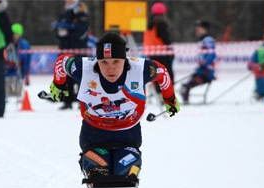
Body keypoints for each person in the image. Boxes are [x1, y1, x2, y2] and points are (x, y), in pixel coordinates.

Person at [49, 32, 180, 178]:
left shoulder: (140, 69)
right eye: (104, 62)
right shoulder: (83, 68)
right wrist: (58, 84)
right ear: (97, 60)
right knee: (98, 176)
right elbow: (62, 62)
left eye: (116, 61)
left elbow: (162, 72)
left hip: (127, 133)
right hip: (94, 133)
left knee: (125, 175)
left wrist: (170, 99)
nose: (110, 69)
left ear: (125, 59)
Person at [54, 0, 90, 110]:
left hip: (78, 51)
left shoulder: (82, 15)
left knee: (80, 76)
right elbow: (56, 30)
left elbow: (81, 32)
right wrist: (59, 34)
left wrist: (67, 34)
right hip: (64, 50)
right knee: (66, 77)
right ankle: (67, 101)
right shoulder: (63, 14)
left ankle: (82, 101)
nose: (68, 2)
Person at [143, 1, 174, 102]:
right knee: (166, 75)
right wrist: (171, 50)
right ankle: (167, 97)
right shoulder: (161, 24)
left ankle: (159, 95)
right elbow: (166, 39)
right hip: (163, 54)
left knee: (156, 75)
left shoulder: (148, 23)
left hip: (151, 54)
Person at [180, 20, 216, 104]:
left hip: (206, 73)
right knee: (184, 87)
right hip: (201, 71)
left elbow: (212, 55)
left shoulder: (208, 40)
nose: (196, 30)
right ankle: (185, 103)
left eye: (198, 28)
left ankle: (186, 105)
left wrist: (203, 66)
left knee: (185, 87)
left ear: (205, 29)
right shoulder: (202, 41)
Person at [4, 23, 31, 98]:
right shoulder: (7, 43)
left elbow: (26, 60)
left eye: (16, 34)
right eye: (12, 33)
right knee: (6, 84)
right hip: (7, 69)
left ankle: (17, 95)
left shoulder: (24, 45)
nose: (14, 36)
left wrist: (26, 75)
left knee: (18, 86)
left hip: (18, 69)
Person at [247, 28, 264, 101]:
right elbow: (251, 62)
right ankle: (260, 92)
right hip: (261, 70)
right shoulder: (260, 48)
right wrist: (255, 66)